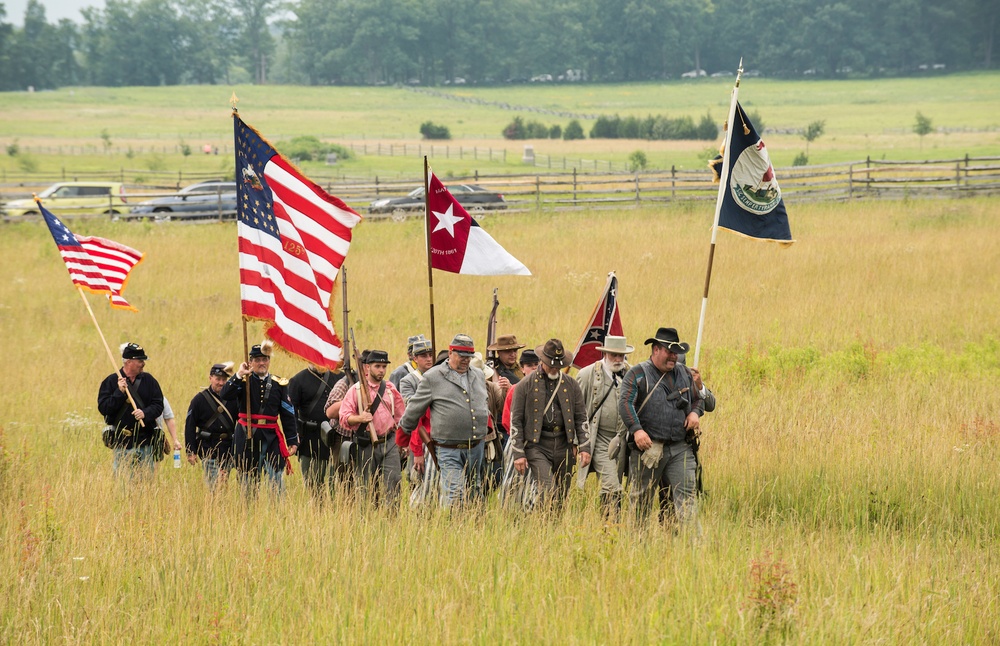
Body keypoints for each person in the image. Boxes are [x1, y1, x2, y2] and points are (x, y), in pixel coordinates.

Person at [618, 327, 704, 527]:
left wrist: (694, 413)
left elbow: (698, 399)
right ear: (656, 349)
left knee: (688, 499)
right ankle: (637, 548)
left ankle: (693, 549)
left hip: (681, 447)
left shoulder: (684, 372)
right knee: (641, 502)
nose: (674, 356)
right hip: (649, 448)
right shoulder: (637, 374)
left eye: (676, 352)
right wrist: (637, 430)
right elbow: (625, 403)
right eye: (669, 351)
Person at [399, 334, 489, 509]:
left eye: (468, 356)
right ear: (450, 353)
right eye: (461, 355)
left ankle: (473, 531)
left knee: (475, 492)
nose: (465, 360)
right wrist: (404, 432)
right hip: (448, 449)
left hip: (476, 446)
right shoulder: (433, 377)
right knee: (455, 496)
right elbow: (415, 408)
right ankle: (455, 531)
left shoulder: (478, 375)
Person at [509, 338, 591, 510]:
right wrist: (518, 453)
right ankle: (539, 520)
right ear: (542, 361)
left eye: (558, 365)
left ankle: (550, 529)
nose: (555, 369)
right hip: (537, 446)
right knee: (548, 489)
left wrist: (584, 447)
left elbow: (581, 418)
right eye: (551, 365)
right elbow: (515, 421)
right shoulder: (524, 385)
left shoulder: (571, 385)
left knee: (561, 496)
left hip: (564, 444)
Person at [220, 340, 298, 497]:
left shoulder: (279, 384)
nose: (261, 363)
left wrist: (292, 440)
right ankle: (249, 514)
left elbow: (287, 414)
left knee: (276, 478)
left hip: (271, 437)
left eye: (264, 359)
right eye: (257, 360)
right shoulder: (242, 381)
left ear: (269, 361)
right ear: (250, 362)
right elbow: (225, 394)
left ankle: (277, 515)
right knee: (248, 482)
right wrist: (239, 374)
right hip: (247, 434)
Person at [575, 335, 634, 519]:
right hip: (599, 438)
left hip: (622, 439)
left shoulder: (631, 374)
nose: (618, 360)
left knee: (618, 482)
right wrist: (580, 442)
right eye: (614, 355)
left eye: (621, 356)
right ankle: (609, 527)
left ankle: (613, 527)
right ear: (606, 354)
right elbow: (578, 410)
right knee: (611, 486)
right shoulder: (587, 374)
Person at [339, 350, 405, 508]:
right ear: (367, 368)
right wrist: (360, 418)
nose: (381, 370)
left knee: (394, 482)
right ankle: (366, 521)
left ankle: (391, 520)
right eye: (377, 366)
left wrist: (403, 442)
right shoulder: (355, 390)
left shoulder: (390, 389)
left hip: (389, 441)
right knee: (365, 487)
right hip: (366, 444)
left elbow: (400, 417)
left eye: (384, 366)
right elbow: (344, 417)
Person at [97, 342, 165, 479]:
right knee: (123, 483)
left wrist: (145, 413)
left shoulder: (149, 381)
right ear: (128, 362)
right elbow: (104, 408)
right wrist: (119, 392)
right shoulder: (110, 381)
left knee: (146, 483)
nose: (143, 364)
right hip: (122, 442)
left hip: (145, 440)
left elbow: (158, 405)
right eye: (140, 360)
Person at [288, 363, 343, 500]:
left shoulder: (341, 377)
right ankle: (317, 514)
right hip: (310, 438)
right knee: (314, 485)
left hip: (337, 437)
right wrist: (294, 435)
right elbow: (290, 411)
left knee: (336, 483)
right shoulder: (297, 380)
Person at [184, 362, 238, 492]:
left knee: (223, 485)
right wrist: (190, 450)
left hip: (228, 448)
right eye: (218, 379)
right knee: (214, 486)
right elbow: (190, 425)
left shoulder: (234, 399)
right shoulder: (199, 399)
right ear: (210, 378)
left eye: (224, 380)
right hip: (208, 448)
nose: (221, 383)